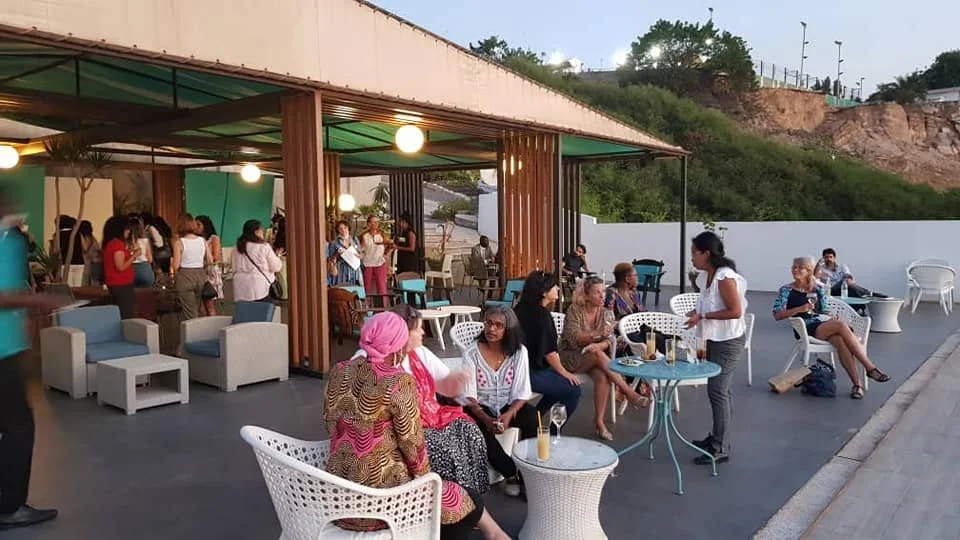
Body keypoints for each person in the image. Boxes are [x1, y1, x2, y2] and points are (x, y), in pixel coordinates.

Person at [323, 312, 510, 540]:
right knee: (465, 503)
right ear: (396, 346)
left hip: (338, 495)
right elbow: (413, 445)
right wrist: (428, 481)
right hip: (382, 501)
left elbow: (329, 422)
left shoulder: (339, 371)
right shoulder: (398, 380)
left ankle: (491, 532)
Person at [0, 192, 69, 531]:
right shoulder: (7, 240)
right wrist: (38, 300)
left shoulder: (12, 240)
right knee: (19, 426)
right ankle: (10, 507)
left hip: (9, 346)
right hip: (2, 351)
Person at [382, 304, 489, 495]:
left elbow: (446, 384)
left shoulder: (420, 353)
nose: (423, 332)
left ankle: (473, 497)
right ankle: (450, 501)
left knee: (472, 433)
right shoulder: (377, 363)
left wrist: (457, 380)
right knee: (446, 450)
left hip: (432, 416)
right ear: (402, 333)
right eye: (418, 329)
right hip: (405, 428)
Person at [774, 256, 891, 400]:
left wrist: (830, 318)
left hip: (822, 324)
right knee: (841, 326)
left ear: (809, 271)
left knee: (841, 341)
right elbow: (777, 314)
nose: (795, 270)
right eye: (794, 267)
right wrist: (799, 309)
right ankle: (869, 367)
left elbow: (824, 310)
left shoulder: (817, 289)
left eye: (800, 268)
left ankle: (857, 386)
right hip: (805, 328)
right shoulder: (786, 290)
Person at [684, 231, 748, 465]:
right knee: (720, 391)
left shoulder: (724, 277)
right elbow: (708, 304)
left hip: (728, 341)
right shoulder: (707, 277)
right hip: (715, 339)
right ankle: (718, 437)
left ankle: (721, 447)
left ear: (706, 253)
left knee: (718, 391)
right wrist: (696, 313)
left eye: (694, 253)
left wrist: (703, 316)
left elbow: (735, 311)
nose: (692, 257)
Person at [559, 275, 648, 440]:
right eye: (597, 292)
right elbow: (574, 339)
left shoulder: (606, 312)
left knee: (602, 377)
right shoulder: (574, 310)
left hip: (594, 358)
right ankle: (629, 392)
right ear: (586, 295)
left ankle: (599, 422)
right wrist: (597, 335)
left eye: (604, 292)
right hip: (571, 356)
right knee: (597, 355)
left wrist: (600, 345)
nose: (602, 296)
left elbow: (611, 340)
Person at [462, 305, 537, 498]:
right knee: (475, 427)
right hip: (480, 406)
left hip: (508, 404)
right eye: (488, 323)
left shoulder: (519, 352)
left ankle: (528, 474)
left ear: (509, 329)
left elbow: (522, 391)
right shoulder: (471, 353)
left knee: (532, 418)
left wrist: (510, 413)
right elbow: (469, 395)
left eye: (498, 325)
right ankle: (510, 472)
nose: (491, 329)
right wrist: (486, 419)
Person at [513, 270, 581, 418]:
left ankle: (535, 418)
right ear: (544, 292)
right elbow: (549, 353)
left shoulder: (519, 308)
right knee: (573, 389)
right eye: (554, 286)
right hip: (529, 374)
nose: (557, 288)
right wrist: (564, 372)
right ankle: (553, 428)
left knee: (559, 385)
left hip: (515, 369)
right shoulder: (542, 316)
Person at [231, 219, 284, 302]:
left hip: (240, 287)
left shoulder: (237, 247)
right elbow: (276, 267)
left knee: (245, 309)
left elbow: (234, 267)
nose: (263, 233)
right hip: (259, 287)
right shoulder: (263, 247)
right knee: (263, 309)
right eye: (261, 230)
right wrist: (278, 256)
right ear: (256, 232)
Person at [172, 215, 210, 320]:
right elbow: (210, 260)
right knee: (197, 307)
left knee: (190, 313)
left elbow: (175, 265)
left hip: (185, 276)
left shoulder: (179, 242)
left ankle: (194, 329)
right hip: (201, 275)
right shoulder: (202, 240)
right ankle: (199, 327)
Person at [102, 215, 138, 319]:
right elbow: (120, 266)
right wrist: (134, 256)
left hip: (115, 284)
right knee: (126, 315)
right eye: (127, 229)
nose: (128, 231)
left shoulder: (110, 244)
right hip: (122, 285)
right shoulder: (117, 244)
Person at [815, 248, 881, 298]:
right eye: (826, 257)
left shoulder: (842, 266)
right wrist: (818, 264)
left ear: (834, 258)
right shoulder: (822, 269)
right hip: (831, 290)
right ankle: (869, 293)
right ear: (823, 258)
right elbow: (815, 277)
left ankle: (862, 304)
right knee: (847, 283)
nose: (829, 259)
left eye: (830, 257)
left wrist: (848, 277)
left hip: (844, 288)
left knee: (851, 288)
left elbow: (849, 275)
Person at [196, 215, 223, 316]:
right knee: (201, 303)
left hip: (209, 271)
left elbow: (216, 256)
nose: (196, 227)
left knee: (209, 302)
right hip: (200, 271)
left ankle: (212, 321)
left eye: (198, 224)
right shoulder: (197, 239)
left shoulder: (213, 238)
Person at [359, 215, 391, 298]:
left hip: (380, 263)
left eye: (377, 222)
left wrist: (386, 255)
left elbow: (390, 246)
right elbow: (361, 249)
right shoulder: (364, 236)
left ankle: (382, 305)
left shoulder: (382, 235)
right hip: (367, 264)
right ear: (369, 224)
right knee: (367, 288)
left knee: (382, 288)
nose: (376, 224)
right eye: (374, 222)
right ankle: (367, 305)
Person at [326, 220, 362, 286]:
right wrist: (337, 256)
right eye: (340, 228)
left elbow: (361, 254)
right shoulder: (334, 243)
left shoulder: (354, 239)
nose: (343, 230)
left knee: (355, 290)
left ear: (348, 228)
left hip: (354, 269)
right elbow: (331, 259)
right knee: (342, 289)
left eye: (345, 227)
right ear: (338, 230)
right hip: (341, 270)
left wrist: (359, 255)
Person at [129, 216, 155, 288]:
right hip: (145, 269)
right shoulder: (145, 241)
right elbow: (150, 259)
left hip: (130, 269)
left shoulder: (127, 243)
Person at [77, 220, 103, 286]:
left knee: (90, 282)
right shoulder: (93, 238)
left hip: (92, 263)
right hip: (96, 263)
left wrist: (80, 235)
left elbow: (85, 248)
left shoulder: (87, 238)